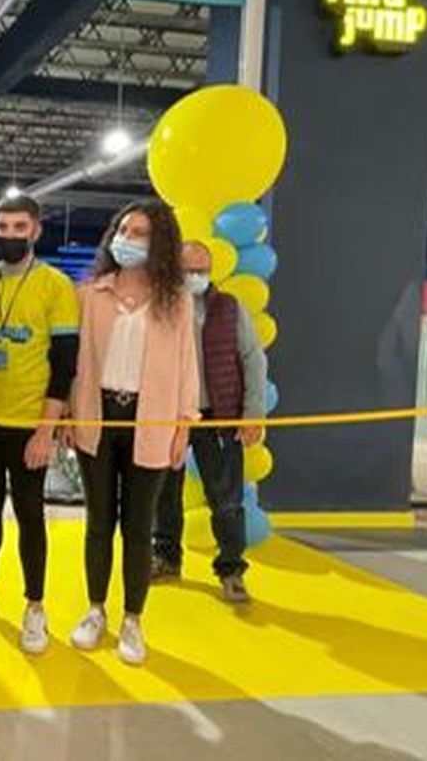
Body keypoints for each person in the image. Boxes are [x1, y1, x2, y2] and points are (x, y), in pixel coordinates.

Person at [63, 200, 198, 667]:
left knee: (139, 527)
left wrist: (184, 423)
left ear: (158, 242)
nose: (127, 238)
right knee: (99, 522)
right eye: (123, 229)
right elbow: (74, 361)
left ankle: (133, 619)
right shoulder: (91, 294)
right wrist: (64, 415)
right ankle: (95, 608)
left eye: (139, 232)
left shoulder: (177, 300)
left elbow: (187, 367)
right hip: (96, 416)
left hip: (153, 421)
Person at [0, 194, 79, 655]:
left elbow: (65, 364)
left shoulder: (55, 286)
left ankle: (35, 605)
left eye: (18, 227)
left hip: (30, 425)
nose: (8, 235)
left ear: (36, 230)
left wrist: (45, 430)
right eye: (2, 227)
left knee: (29, 514)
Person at [152, 240, 267, 603]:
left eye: (202, 269)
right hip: (168, 415)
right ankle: (166, 557)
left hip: (217, 416)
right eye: (188, 269)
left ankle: (231, 569)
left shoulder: (229, 308)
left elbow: (253, 359)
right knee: (163, 492)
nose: (195, 276)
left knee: (227, 498)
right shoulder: (159, 308)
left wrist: (253, 414)